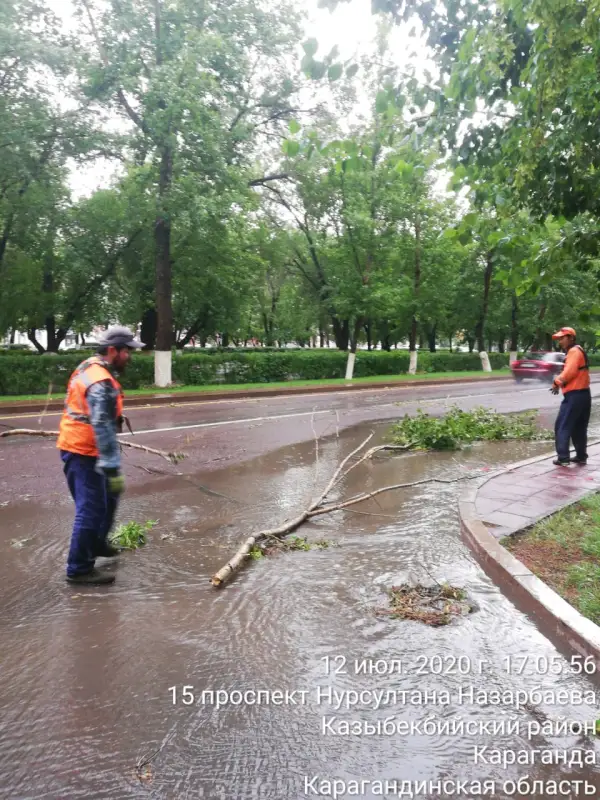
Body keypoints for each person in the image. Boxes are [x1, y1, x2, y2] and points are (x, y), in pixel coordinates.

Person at [57, 326, 144, 584]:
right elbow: (103, 426)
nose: (129, 355)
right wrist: (111, 465)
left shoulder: (90, 366)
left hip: (84, 446)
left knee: (110, 498)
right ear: (112, 350)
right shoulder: (101, 382)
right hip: (84, 452)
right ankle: (79, 569)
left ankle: (97, 544)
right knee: (92, 510)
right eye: (126, 350)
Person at [550, 326, 591, 467]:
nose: (560, 341)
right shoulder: (578, 350)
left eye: (562, 338)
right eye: (559, 338)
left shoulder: (573, 351)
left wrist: (556, 382)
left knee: (562, 426)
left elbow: (570, 371)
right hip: (584, 395)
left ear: (571, 338)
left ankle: (563, 458)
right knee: (579, 427)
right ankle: (581, 456)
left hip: (574, 395)